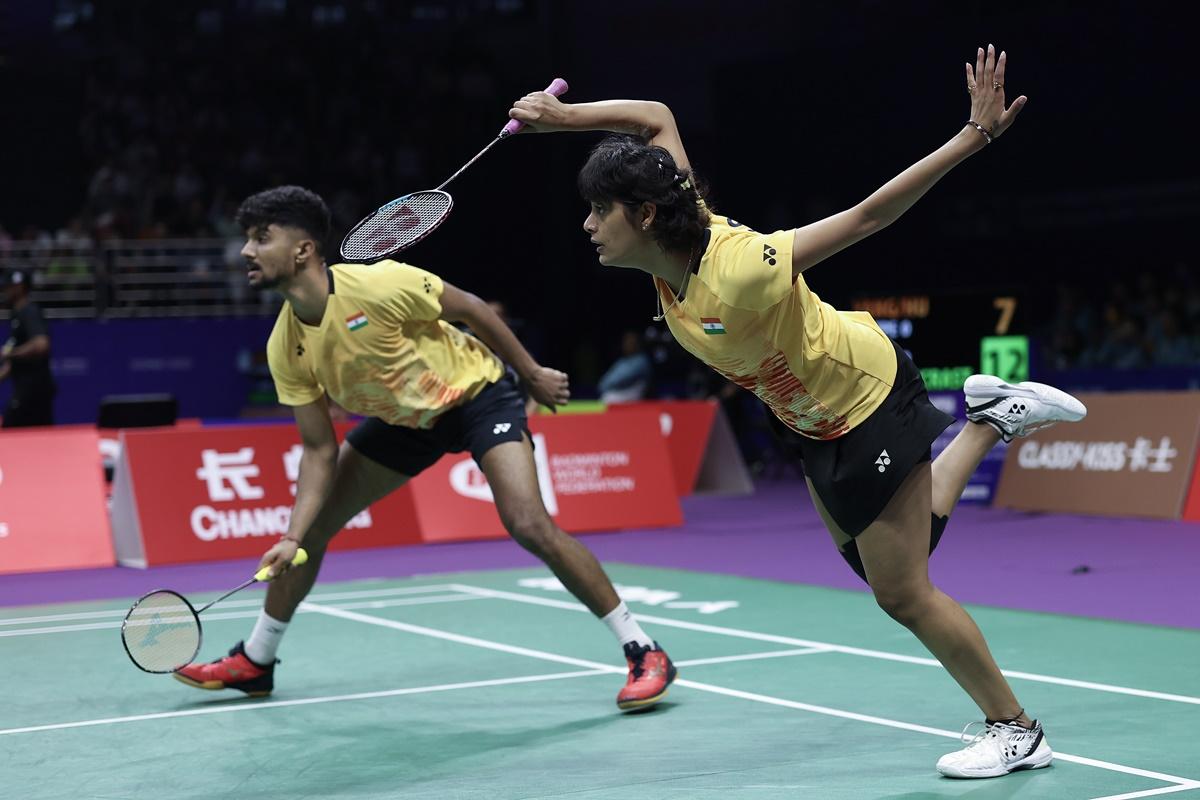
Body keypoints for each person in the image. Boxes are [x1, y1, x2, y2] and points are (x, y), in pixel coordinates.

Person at [508, 45, 1087, 778]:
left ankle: (1018, 729)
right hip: (811, 419)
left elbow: (869, 216)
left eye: (600, 210)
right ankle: (990, 419)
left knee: (903, 590)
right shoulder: (673, 244)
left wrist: (972, 137)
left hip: (866, 396)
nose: (588, 225)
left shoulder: (740, 268)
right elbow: (656, 118)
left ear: (645, 215)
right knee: (875, 561)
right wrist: (565, 120)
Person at [174, 186, 676, 710]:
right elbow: (319, 449)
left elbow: (473, 310)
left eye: (261, 238)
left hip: (477, 396)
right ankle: (257, 661)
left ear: (302, 250)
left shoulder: (379, 283)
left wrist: (530, 374)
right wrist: (292, 534)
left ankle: (643, 649)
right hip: (405, 421)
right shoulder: (286, 345)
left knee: (527, 522)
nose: (246, 252)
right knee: (312, 534)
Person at [0, 270, 57, 428]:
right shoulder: (16, 316)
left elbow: (41, 344)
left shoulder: (30, 312)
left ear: (19, 288)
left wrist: (9, 353)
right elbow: (13, 364)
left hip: (34, 391)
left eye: (8, 287)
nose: (5, 291)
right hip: (27, 390)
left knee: (10, 430)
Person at [597, 330, 653, 403]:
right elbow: (605, 381)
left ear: (637, 344)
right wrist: (604, 386)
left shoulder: (641, 361)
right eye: (626, 341)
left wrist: (607, 386)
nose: (627, 344)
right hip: (615, 392)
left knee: (608, 398)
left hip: (632, 395)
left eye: (631, 342)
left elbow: (622, 379)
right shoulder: (621, 361)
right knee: (607, 397)